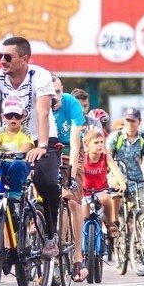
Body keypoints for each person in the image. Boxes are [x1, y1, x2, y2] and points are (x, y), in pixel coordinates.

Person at [0, 36, 87, 279]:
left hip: (41, 138)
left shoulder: (40, 76)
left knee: (46, 181)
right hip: (10, 138)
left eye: (8, 57)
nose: (2, 61)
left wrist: (42, 145)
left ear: (24, 59)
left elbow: (42, 112)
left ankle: (50, 236)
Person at [51, 75, 86, 271]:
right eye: (51, 93)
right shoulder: (39, 104)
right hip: (47, 151)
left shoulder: (71, 103)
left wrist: (71, 175)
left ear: (62, 89)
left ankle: (78, 254)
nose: (55, 97)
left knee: (72, 200)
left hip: (68, 152)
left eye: (58, 92)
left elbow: (74, 145)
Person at [0, 96, 34, 200]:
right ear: (3, 117)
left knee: (18, 164)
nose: (13, 119)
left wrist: (16, 153)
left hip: (20, 166)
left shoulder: (25, 132)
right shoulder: (0, 131)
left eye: (17, 116)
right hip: (2, 164)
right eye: (9, 116)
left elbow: (27, 146)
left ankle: (15, 193)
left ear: (23, 116)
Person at [106, 106, 144, 209]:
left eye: (133, 121)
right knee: (115, 196)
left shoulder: (143, 138)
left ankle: (139, 222)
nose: (130, 124)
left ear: (139, 122)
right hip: (117, 175)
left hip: (137, 179)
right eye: (128, 120)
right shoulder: (116, 136)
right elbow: (107, 155)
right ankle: (115, 223)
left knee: (142, 207)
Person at [81, 128, 120, 236]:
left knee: (106, 199)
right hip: (85, 192)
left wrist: (122, 183)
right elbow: (77, 173)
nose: (100, 145)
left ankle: (109, 222)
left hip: (101, 189)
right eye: (96, 142)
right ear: (86, 144)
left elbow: (115, 170)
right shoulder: (83, 158)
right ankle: (85, 246)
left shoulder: (106, 157)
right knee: (84, 219)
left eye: (102, 142)